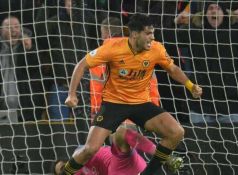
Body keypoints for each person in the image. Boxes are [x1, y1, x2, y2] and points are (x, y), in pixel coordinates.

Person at [61, 14, 202, 175]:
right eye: (148, 33)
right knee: (90, 149)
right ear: (134, 34)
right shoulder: (113, 48)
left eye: (153, 33)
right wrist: (71, 94)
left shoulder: (156, 48)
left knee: (177, 132)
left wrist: (190, 85)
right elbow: (81, 65)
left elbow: (172, 69)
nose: (152, 37)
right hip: (114, 104)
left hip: (141, 103)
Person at [54, 123, 183, 175]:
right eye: (60, 172)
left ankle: (165, 156)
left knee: (120, 132)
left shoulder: (78, 155)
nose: (63, 171)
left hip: (122, 162)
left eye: (63, 167)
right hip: (115, 172)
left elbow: (84, 150)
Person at [0, 15, 44, 121]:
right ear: (1, 31)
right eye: (9, 27)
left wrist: (29, 49)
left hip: (25, 110)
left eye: (16, 27)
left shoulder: (28, 48)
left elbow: (34, 69)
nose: (13, 30)